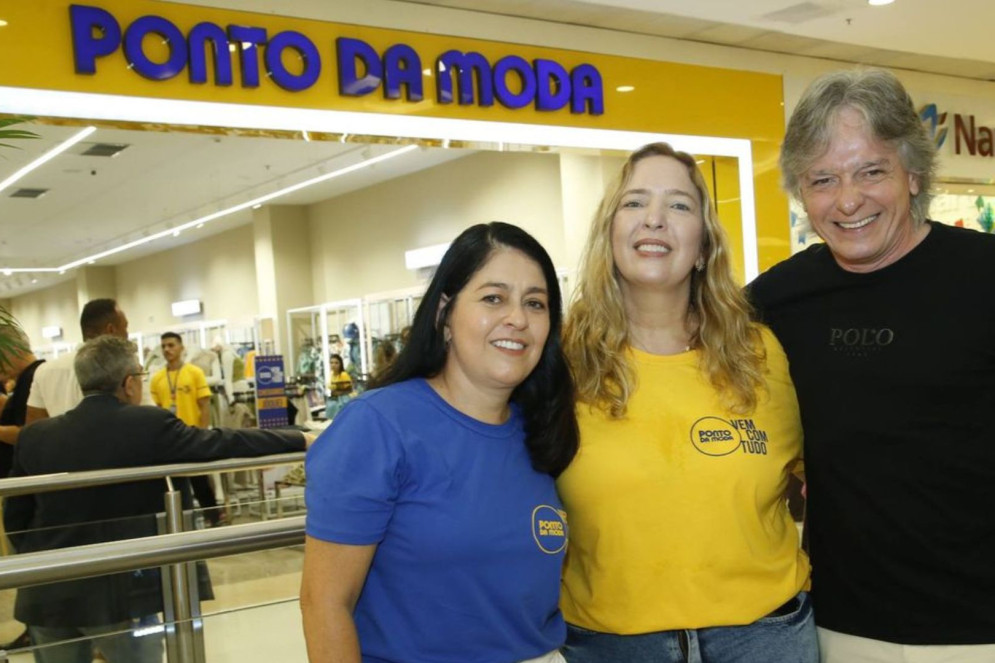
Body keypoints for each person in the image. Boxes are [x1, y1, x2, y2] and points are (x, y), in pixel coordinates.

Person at [748, 68, 995, 662]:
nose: (848, 200)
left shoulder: (984, 275)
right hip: (840, 628)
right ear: (801, 193)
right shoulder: (774, 301)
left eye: (871, 172)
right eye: (823, 180)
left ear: (913, 174)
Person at [558, 143, 814, 662]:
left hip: (765, 638)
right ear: (608, 235)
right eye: (634, 203)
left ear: (703, 248)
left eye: (678, 205)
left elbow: (838, 480)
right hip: (610, 646)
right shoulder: (558, 364)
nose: (654, 219)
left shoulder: (763, 354)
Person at [301, 222, 579, 663]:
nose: (518, 319)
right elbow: (325, 604)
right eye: (493, 298)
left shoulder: (545, 431)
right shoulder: (378, 426)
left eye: (535, 303)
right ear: (444, 314)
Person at [3, 335, 309, 663]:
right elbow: (221, 442)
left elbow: (17, 515)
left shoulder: (36, 436)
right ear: (129, 382)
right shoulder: (145, 424)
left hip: (47, 590)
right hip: (122, 594)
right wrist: (297, 439)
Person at [149, 332, 223, 526]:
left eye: (171, 345)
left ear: (181, 348)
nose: (167, 350)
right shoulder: (157, 379)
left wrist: (203, 432)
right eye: (164, 346)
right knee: (174, 483)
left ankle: (213, 518)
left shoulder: (194, 373)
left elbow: (204, 404)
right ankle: (179, 521)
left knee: (200, 481)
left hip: (192, 434)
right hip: (168, 439)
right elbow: (156, 410)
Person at [26, 298, 134, 424]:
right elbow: (145, 417)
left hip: (60, 442)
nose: (127, 334)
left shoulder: (44, 371)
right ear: (111, 330)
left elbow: (34, 426)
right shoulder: (124, 368)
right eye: (125, 327)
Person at [0, 325, 43, 477]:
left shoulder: (32, 378)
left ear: (15, 349)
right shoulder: (25, 379)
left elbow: (30, 433)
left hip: (23, 478)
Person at [324, 353, 353, 420]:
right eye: (331, 363)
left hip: (342, 400)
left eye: (336, 363)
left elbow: (346, 389)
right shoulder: (333, 374)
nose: (333, 365)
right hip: (335, 399)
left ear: (340, 364)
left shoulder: (343, 375)